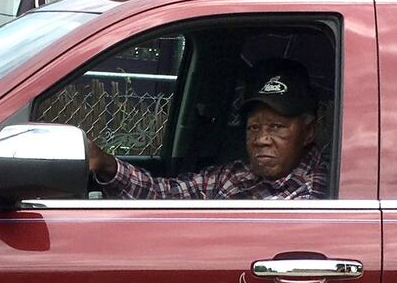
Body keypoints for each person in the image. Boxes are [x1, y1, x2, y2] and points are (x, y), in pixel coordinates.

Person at [86, 59, 328, 199]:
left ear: (307, 132)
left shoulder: (321, 190)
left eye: (276, 127)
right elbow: (167, 195)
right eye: (253, 128)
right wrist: (108, 165)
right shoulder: (237, 175)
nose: (261, 139)